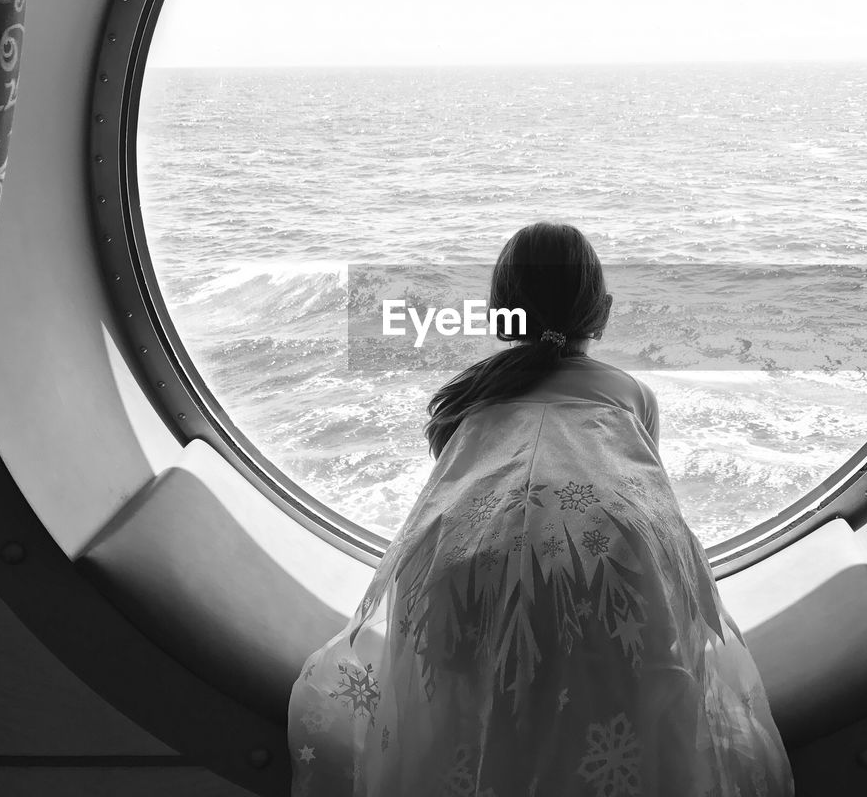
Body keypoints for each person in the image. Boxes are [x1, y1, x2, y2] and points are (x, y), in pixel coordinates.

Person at [288, 221, 794, 797]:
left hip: (462, 563)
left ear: (501, 311)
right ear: (601, 312)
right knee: (624, 715)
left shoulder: (466, 396)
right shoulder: (631, 394)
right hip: (609, 566)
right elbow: (644, 490)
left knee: (467, 719)